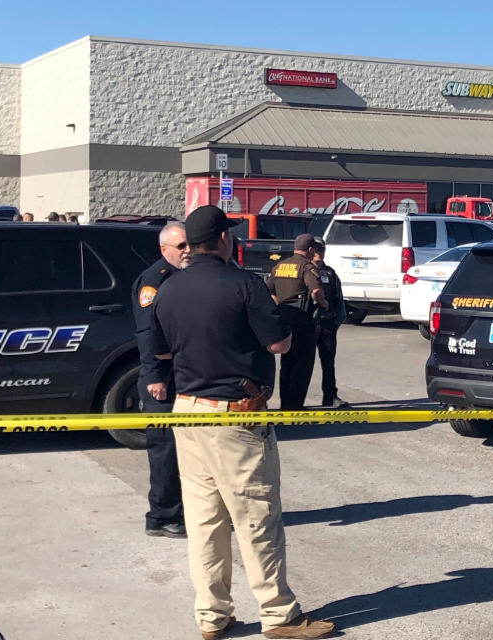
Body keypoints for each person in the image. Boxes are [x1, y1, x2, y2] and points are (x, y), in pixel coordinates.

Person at [149, 206, 335, 640]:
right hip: (235, 416)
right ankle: (279, 614)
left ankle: (212, 616)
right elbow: (281, 342)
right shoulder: (243, 284)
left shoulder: (168, 289)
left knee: (204, 522)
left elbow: (160, 353)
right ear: (222, 240)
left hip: (187, 411)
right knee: (255, 516)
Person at [132, 221, 191, 539]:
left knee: (183, 447)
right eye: (181, 246)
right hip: (161, 378)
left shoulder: (183, 277)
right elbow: (147, 332)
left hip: (182, 373)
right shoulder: (154, 281)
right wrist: (154, 375)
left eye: (189, 244)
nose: (187, 250)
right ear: (164, 249)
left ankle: (179, 510)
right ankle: (162, 516)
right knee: (165, 449)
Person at [265, 233, 328, 410]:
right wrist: (324, 303)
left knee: (287, 364)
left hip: (284, 319)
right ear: (309, 250)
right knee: (302, 365)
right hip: (303, 321)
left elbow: (269, 290)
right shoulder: (307, 267)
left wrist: (280, 306)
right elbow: (315, 291)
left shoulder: (279, 266)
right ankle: (295, 406)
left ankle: (285, 404)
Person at [310, 238, 348, 408]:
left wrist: (336, 322)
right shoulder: (304, 270)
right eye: (317, 248)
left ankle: (330, 396)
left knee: (328, 362)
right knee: (303, 363)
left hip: (327, 324)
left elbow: (339, 299)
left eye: (322, 249)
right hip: (308, 325)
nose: (320, 252)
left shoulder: (330, 273)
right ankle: (295, 401)